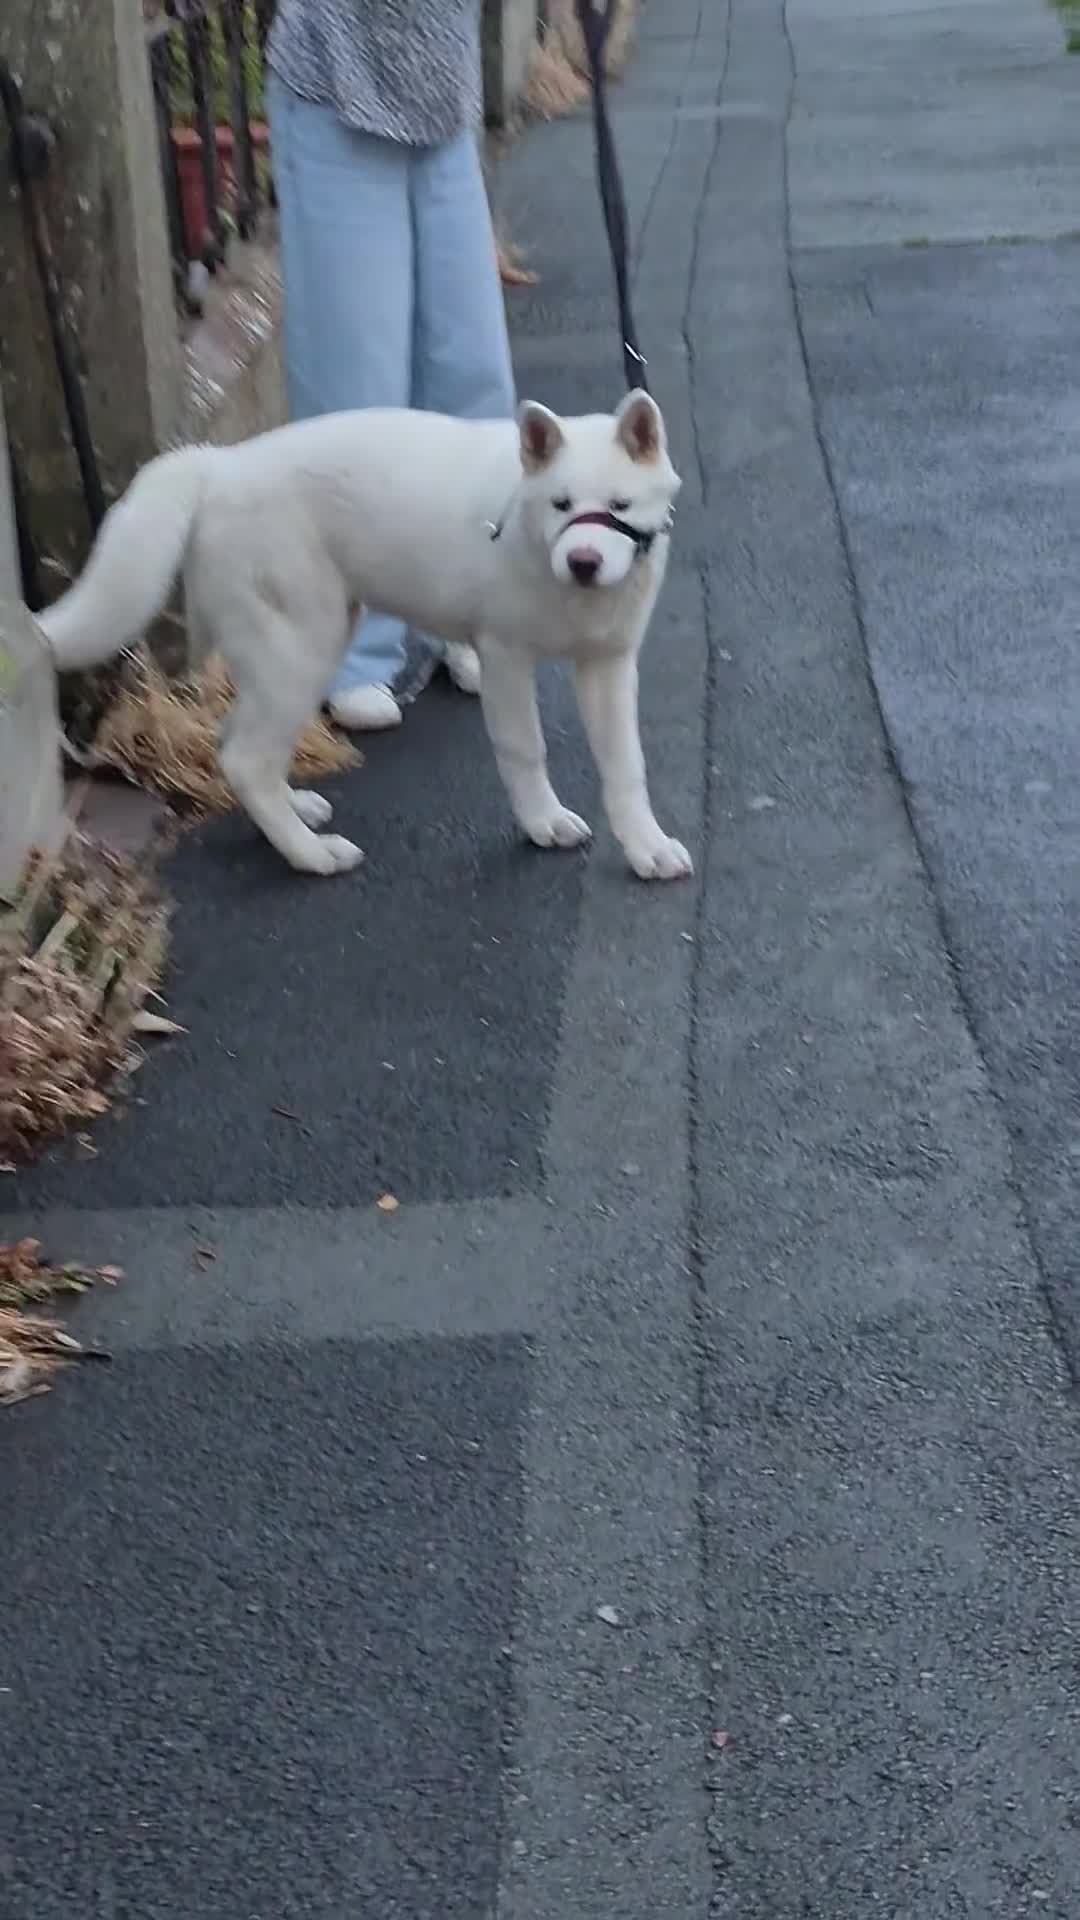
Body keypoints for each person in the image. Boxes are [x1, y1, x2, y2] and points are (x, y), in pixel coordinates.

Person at [265, 0, 517, 731]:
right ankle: (351, 649)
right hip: (335, 80)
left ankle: (466, 611)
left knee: (470, 376)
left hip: (442, 91)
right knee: (356, 383)